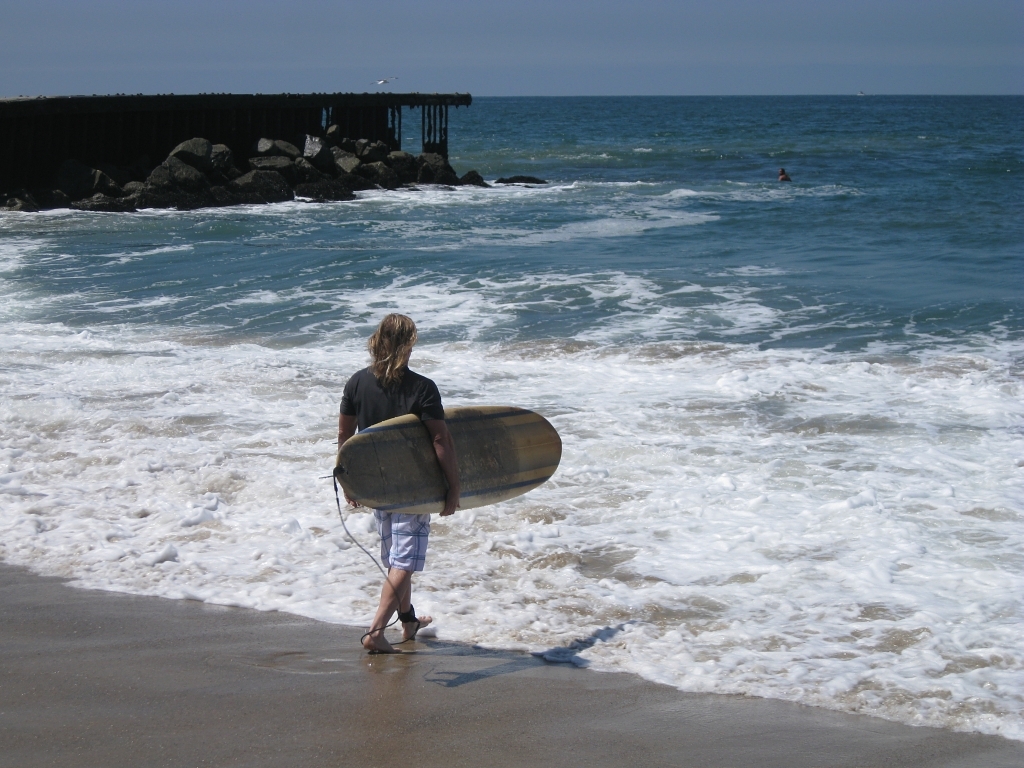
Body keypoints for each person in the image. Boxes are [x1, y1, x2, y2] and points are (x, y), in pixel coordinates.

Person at [336, 314, 460, 653]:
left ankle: (408, 620)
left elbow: (346, 437)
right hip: (414, 489)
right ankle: (375, 632)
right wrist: (453, 487)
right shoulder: (422, 388)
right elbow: (440, 440)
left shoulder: (357, 383)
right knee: (403, 562)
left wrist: (349, 481)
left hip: (376, 487)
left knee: (395, 558)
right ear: (408, 346)